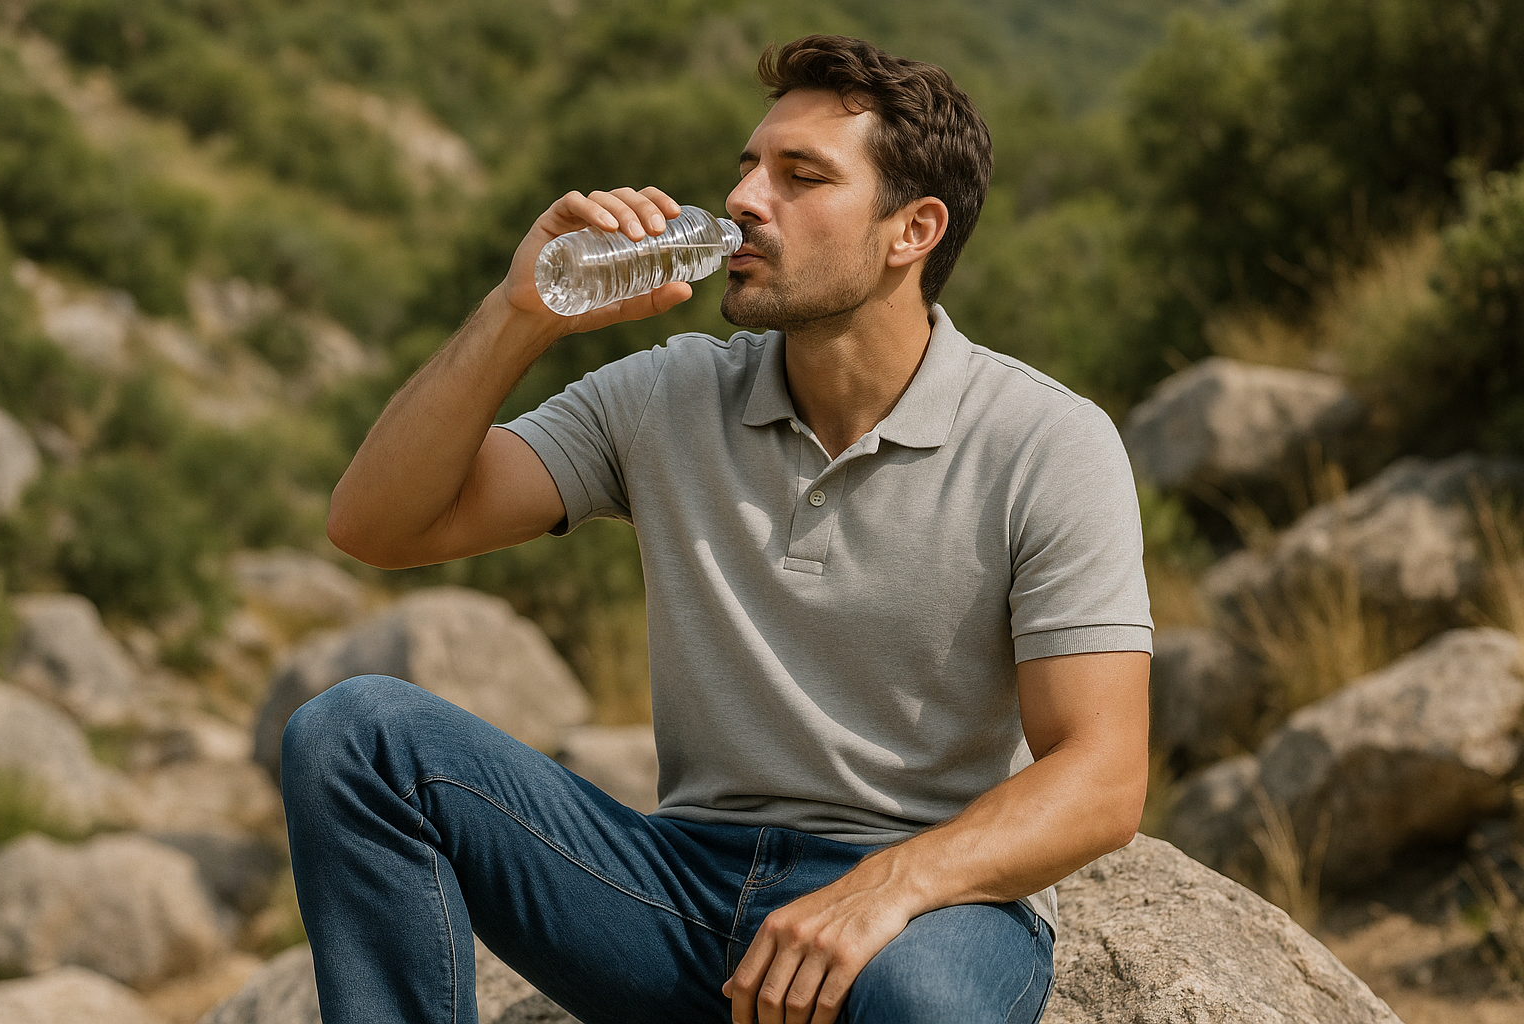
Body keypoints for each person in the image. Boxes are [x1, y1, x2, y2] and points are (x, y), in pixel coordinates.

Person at [283, 34, 1152, 1024]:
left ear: (912, 229)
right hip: (673, 891)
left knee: (918, 1002)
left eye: (801, 175)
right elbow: (378, 523)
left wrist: (885, 890)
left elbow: (1103, 774)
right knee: (354, 736)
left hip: (921, 911)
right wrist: (519, 313)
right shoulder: (668, 392)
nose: (742, 199)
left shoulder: (1047, 441)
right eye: (747, 166)